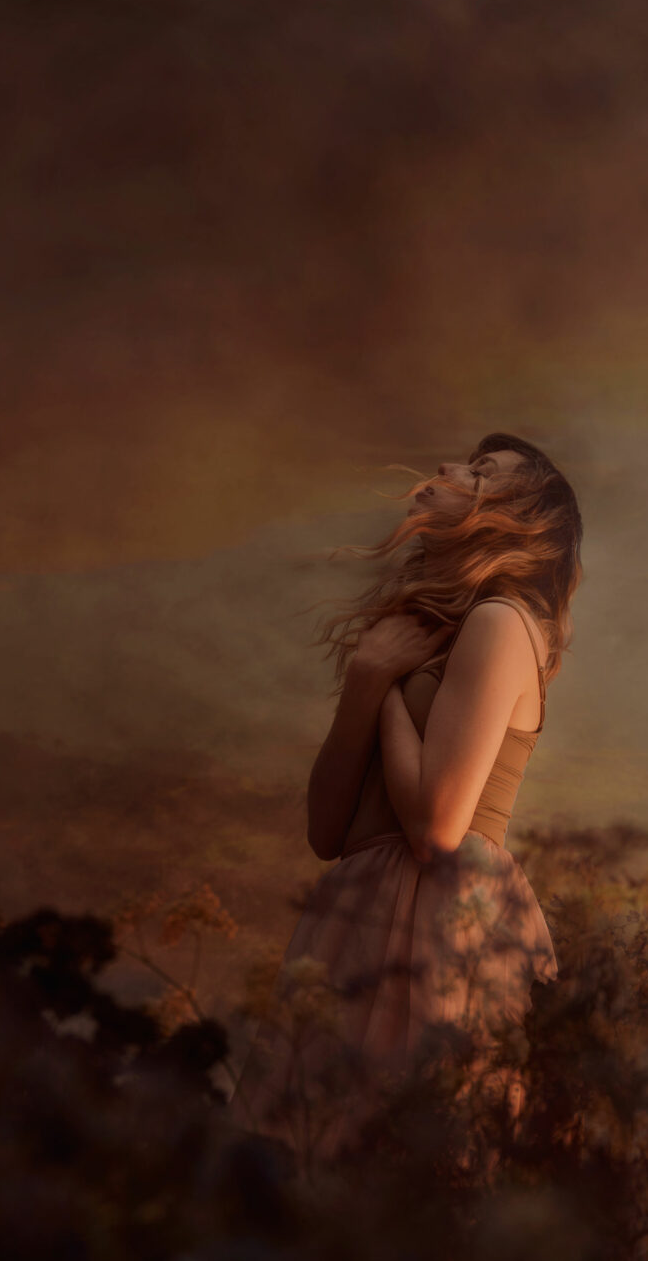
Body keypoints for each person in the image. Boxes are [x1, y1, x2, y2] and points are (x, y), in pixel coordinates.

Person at [227, 433, 583, 1160]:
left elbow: (437, 830)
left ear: (517, 516)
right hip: (365, 903)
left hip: (437, 914)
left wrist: (384, 687)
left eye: (481, 472)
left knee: (404, 1159)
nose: (451, 469)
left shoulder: (502, 622)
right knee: (328, 1161)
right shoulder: (430, 631)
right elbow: (328, 833)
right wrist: (364, 680)